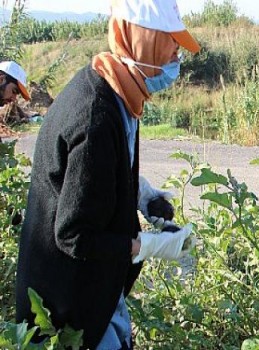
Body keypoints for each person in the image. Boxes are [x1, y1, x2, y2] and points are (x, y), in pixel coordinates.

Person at [15, 0, 200, 349]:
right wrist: (149, 246)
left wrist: (140, 193)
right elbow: (74, 236)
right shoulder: (94, 116)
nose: (177, 55)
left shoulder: (119, 90)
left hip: (95, 292)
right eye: (169, 41)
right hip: (66, 312)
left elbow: (95, 172)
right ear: (140, 38)